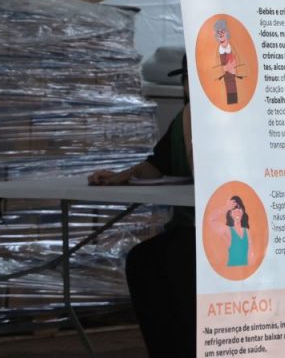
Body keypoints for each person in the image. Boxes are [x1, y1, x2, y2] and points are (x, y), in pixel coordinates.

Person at [88, 55, 195, 358]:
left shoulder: (231, 118)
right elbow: (155, 165)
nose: (187, 85)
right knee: (144, 261)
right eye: (185, 79)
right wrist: (120, 177)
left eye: (193, 78)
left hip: (213, 231)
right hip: (185, 227)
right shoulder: (183, 117)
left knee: (166, 264)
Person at [206, 195, 251, 267]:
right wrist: (225, 208)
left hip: (245, 273)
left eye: (239, 208)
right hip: (231, 272)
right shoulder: (227, 230)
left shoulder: (247, 231)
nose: (237, 212)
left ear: (243, 211)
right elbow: (210, 219)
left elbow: (251, 256)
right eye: (233, 209)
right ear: (230, 213)